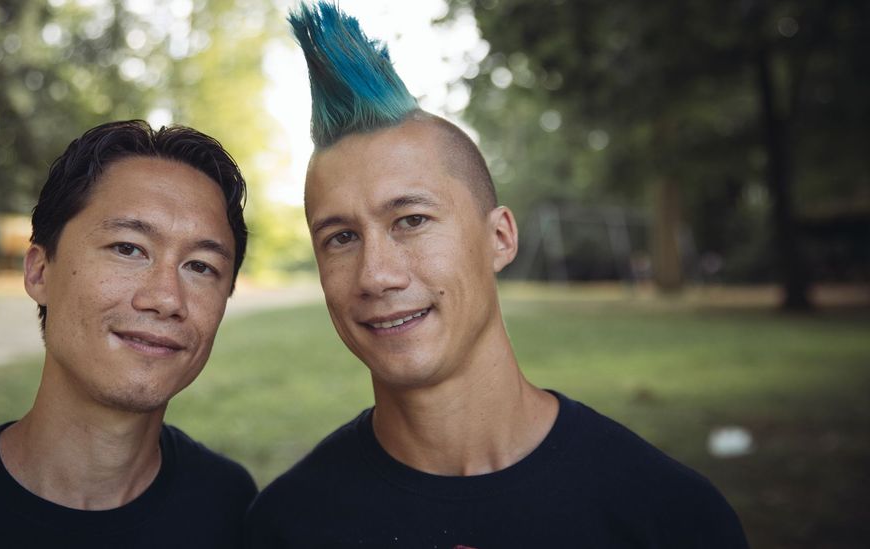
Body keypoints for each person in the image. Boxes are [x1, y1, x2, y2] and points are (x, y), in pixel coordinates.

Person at [245, 4, 749, 548]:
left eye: (411, 220)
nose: (377, 275)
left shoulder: (668, 516)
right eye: (340, 237)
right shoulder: (286, 527)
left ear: (500, 239)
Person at [0, 120, 257, 548]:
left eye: (200, 266)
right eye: (128, 248)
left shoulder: (234, 511)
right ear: (39, 271)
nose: (165, 298)